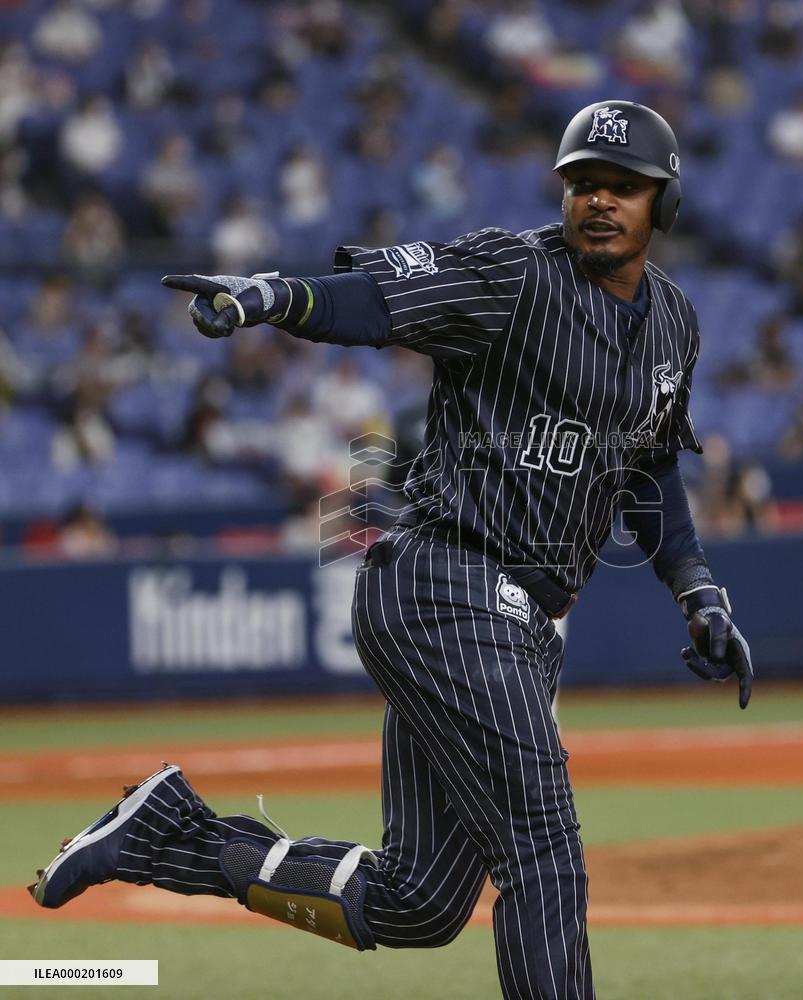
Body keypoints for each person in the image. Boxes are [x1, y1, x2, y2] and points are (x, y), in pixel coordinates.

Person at [30, 100, 753, 1000]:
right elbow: (378, 301)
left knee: (420, 902)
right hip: (445, 580)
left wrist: (698, 590)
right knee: (543, 849)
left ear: (664, 203)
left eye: (624, 187)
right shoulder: (513, 273)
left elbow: (648, 467)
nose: (599, 200)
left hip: (519, 626)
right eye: (583, 183)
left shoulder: (675, 324)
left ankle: (167, 834)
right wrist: (276, 297)